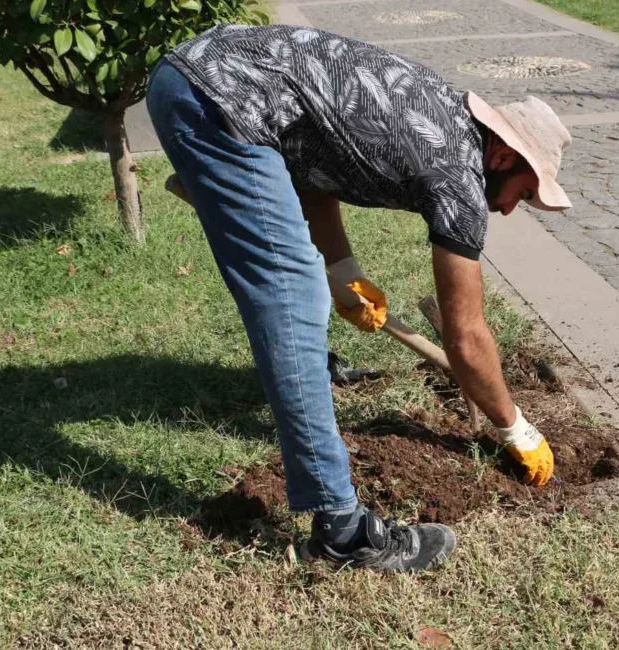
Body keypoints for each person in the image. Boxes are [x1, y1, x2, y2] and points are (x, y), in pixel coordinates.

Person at [146, 23, 572, 573]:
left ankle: (312, 370)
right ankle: (341, 530)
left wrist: (343, 271)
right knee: (293, 297)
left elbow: (314, 169)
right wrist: (516, 428)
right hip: (223, 98)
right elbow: (465, 334)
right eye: (526, 192)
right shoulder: (457, 176)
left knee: (303, 277)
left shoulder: (437, 111)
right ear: (503, 158)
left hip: (199, 75)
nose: (513, 208)